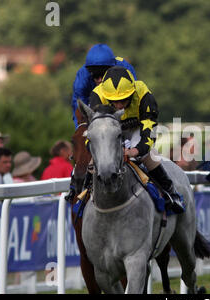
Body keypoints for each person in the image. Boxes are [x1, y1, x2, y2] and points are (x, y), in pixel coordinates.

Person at [88, 66, 184, 213]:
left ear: (132, 93)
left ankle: (169, 191)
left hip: (136, 129)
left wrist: (134, 151)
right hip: (108, 132)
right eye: (114, 101)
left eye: (124, 100)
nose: (119, 106)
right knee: (91, 161)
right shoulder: (97, 96)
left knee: (147, 155)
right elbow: (92, 132)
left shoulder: (144, 95)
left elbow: (149, 133)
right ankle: (78, 191)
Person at [71, 43, 137, 127]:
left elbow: (134, 98)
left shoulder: (126, 70)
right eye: (95, 75)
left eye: (103, 74)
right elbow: (79, 108)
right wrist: (81, 126)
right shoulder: (82, 78)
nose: (100, 80)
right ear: (89, 72)